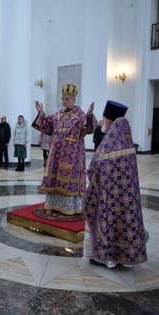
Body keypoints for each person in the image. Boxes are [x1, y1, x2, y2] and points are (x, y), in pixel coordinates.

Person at [83, 100, 147, 269]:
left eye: (104, 119)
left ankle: (108, 258)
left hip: (109, 194)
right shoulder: (126, 139)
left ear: (109, 120)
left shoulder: (109, 143)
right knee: (126, 220)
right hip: (128, 196)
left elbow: (93, 167)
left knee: (109, 220)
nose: (103, 122)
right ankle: (126, 258)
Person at [32, 83, 97, 215]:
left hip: (73, 155)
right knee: (55, 178)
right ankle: (53, 204)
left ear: (73, 100)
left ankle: (70, 207)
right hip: (56, 153)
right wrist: (40, 113)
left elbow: (89, 128)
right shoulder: (57, 115)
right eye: (63, 98)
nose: (64, 101)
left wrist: (90, 115)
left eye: (67, 99)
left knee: (69, 178)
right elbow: (47, 126)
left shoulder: (80, 115)